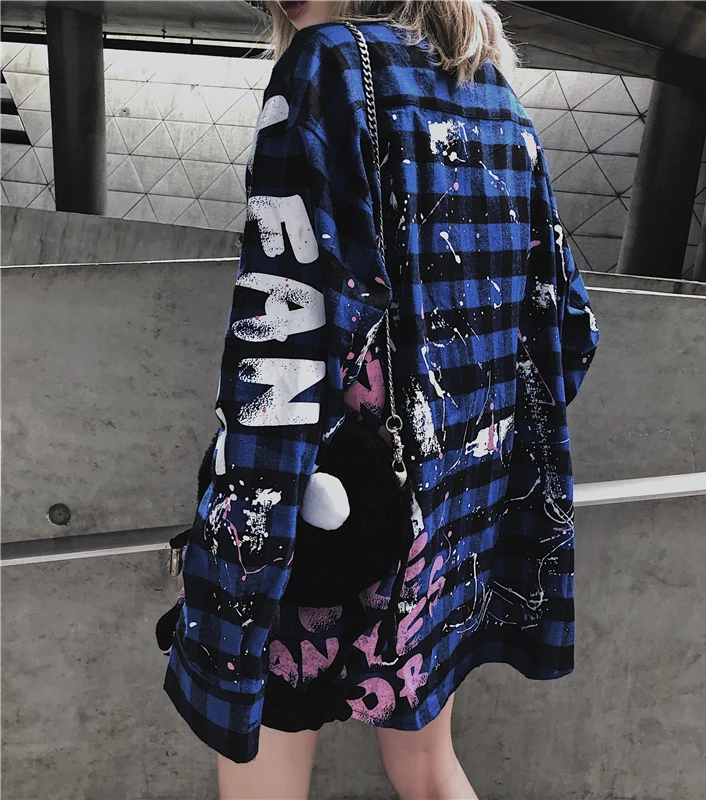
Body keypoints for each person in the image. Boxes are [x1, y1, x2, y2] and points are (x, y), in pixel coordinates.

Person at [159, 1, 600, 797]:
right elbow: (567, 329)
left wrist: (238, 549)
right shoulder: (492, 88)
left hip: (325, 515)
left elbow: (279, 347)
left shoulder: (324, 65)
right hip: (452, 524)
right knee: (429, 770)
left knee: (262, 782)